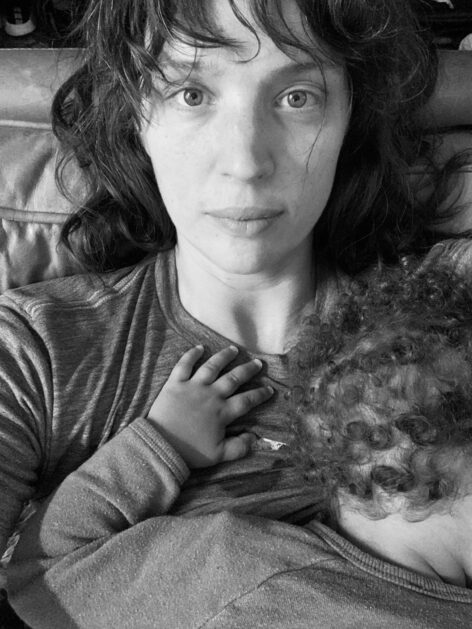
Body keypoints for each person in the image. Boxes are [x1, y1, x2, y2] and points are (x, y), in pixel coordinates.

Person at [1, 0, 472, 606]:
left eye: (298, 96)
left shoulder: (448, 326)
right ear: (134, 116)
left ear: (353, 115)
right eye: (191, 94)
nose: (246, 163)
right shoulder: (37, 350)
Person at [7, 259, 472, 627]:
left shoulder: (231, 567)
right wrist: (159, 444)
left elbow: (42, 566)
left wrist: (164, 443)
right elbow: (40, 576)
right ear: (435, 466)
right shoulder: (236, 571)